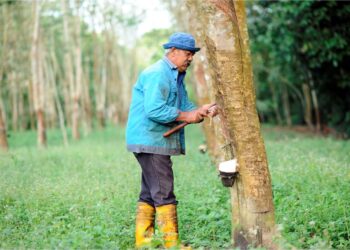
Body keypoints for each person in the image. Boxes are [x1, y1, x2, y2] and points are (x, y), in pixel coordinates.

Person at [126, 32, 218, 248]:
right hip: (151, 140)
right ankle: (171, 245)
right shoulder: (158, 73)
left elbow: (185, 106)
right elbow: (155, 109)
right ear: (173, 52)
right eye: (187, 53)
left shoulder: (176, 75)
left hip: (153, 140)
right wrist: (187, 116)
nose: (190, 58)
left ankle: (144, 243)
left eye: (192, 55)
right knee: (164, 191)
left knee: (150, 191)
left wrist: (200, 110)